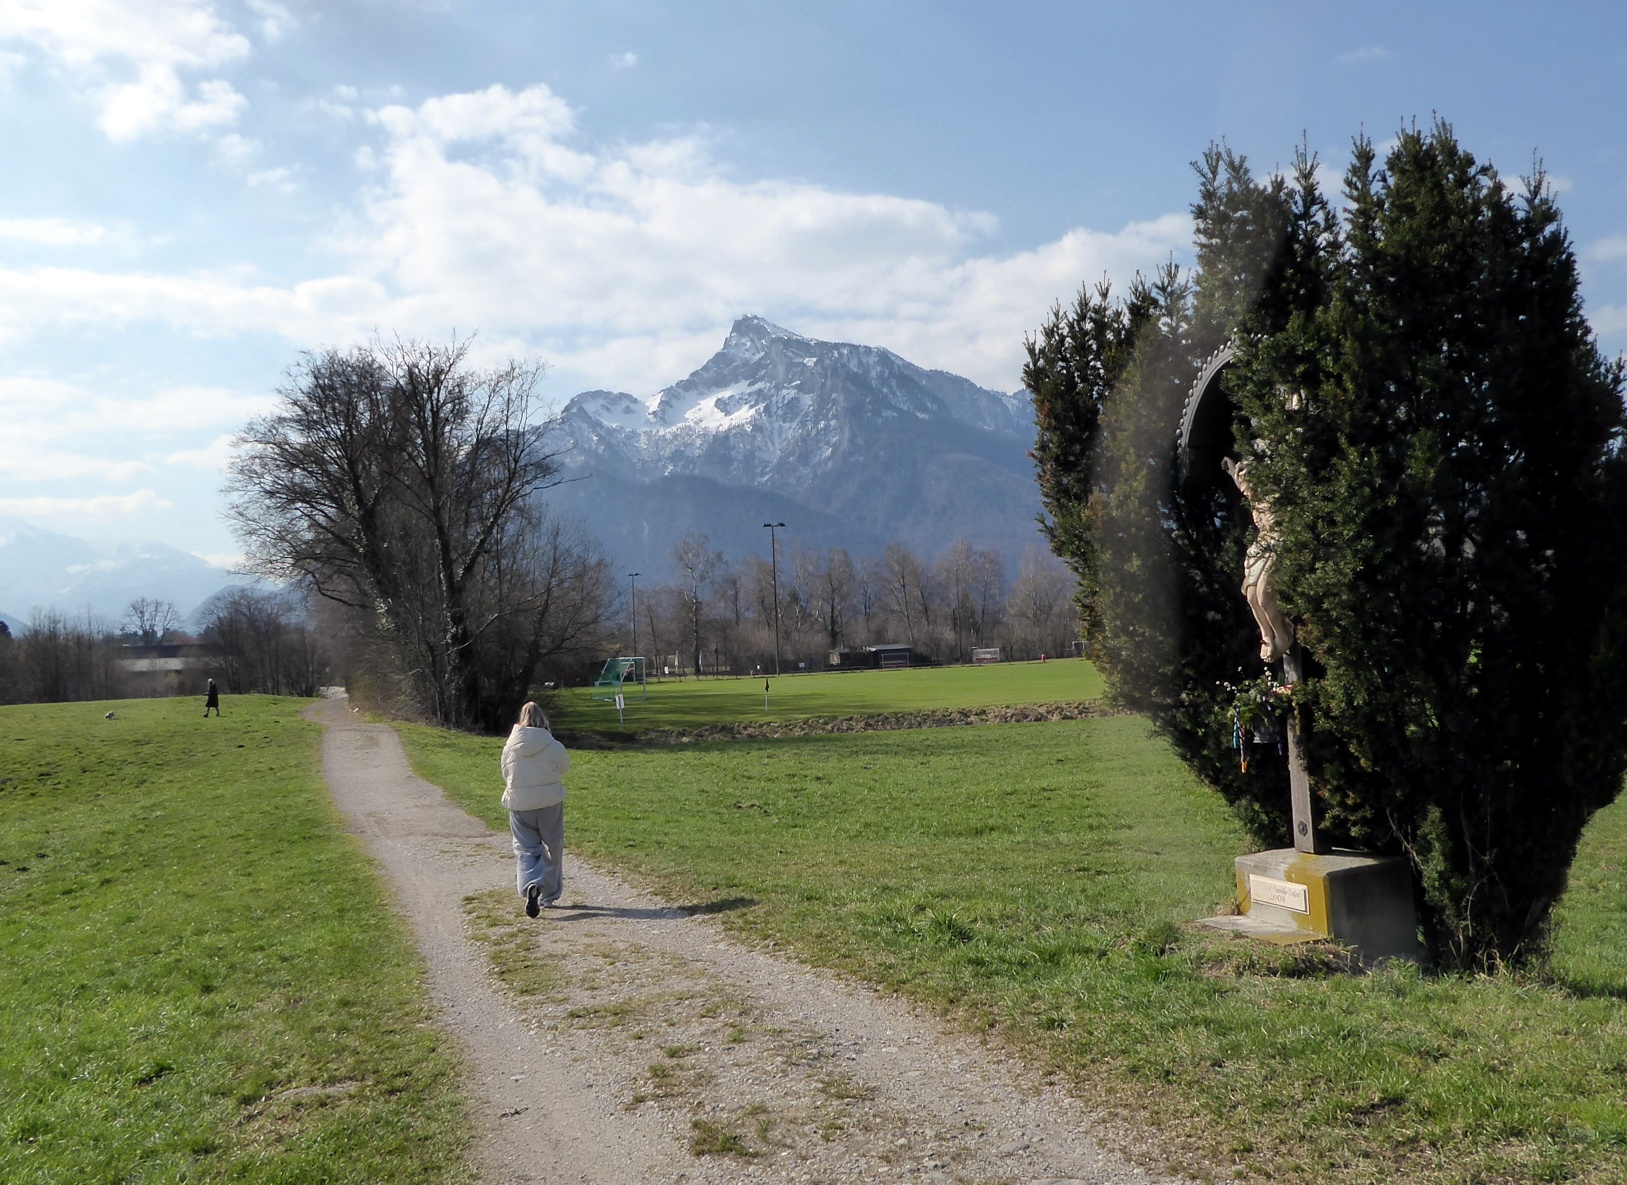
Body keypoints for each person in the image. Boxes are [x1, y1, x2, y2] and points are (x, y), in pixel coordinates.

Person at [501, 701, 572, 917]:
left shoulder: (509, 747)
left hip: (520, 804)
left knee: (525, 849)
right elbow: (565, 768)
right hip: (549, 802)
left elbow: (505, 773)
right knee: (553, 846)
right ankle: (548, 896)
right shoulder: (552, 745)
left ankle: (531, 883)